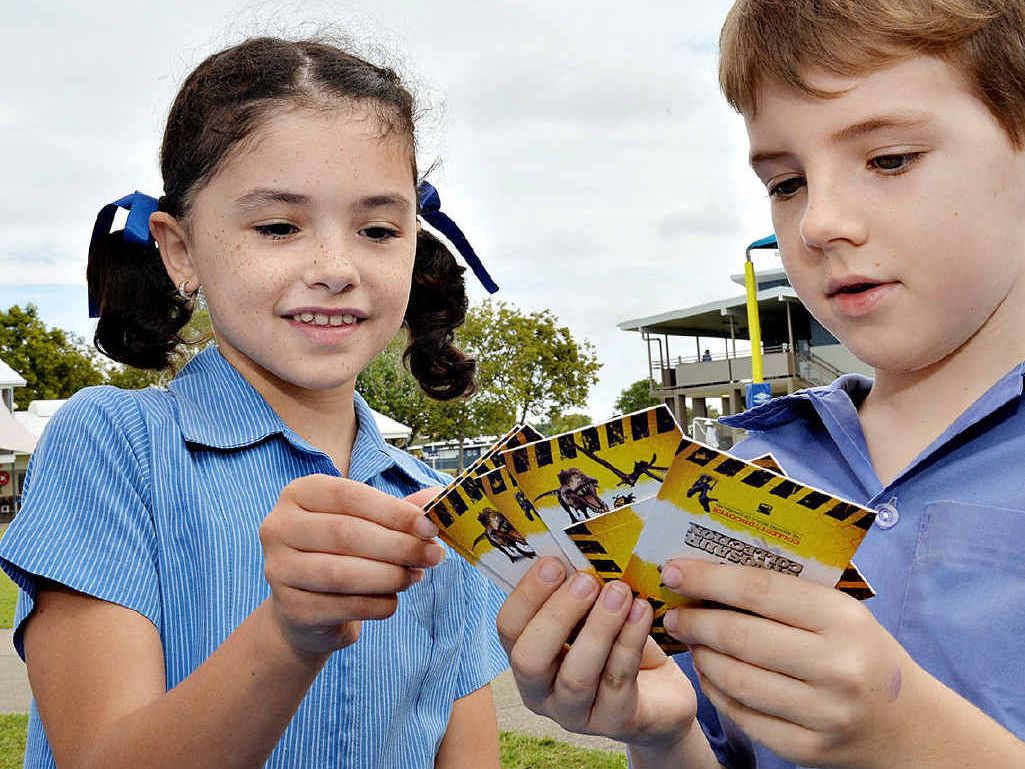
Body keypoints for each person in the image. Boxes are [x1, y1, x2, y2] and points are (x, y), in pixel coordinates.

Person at [496, 1, 1025, 767]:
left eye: (888, 159)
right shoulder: (742, 472)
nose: (818, 222)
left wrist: (909, 736)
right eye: (785, 182)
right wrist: (665, 732)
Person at [0, 37, 507, 769]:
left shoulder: (435, 508)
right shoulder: (112, 444)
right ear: (179, 250)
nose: (335, 269)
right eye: (277, 226)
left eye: (377, 229)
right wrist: (286, 633)